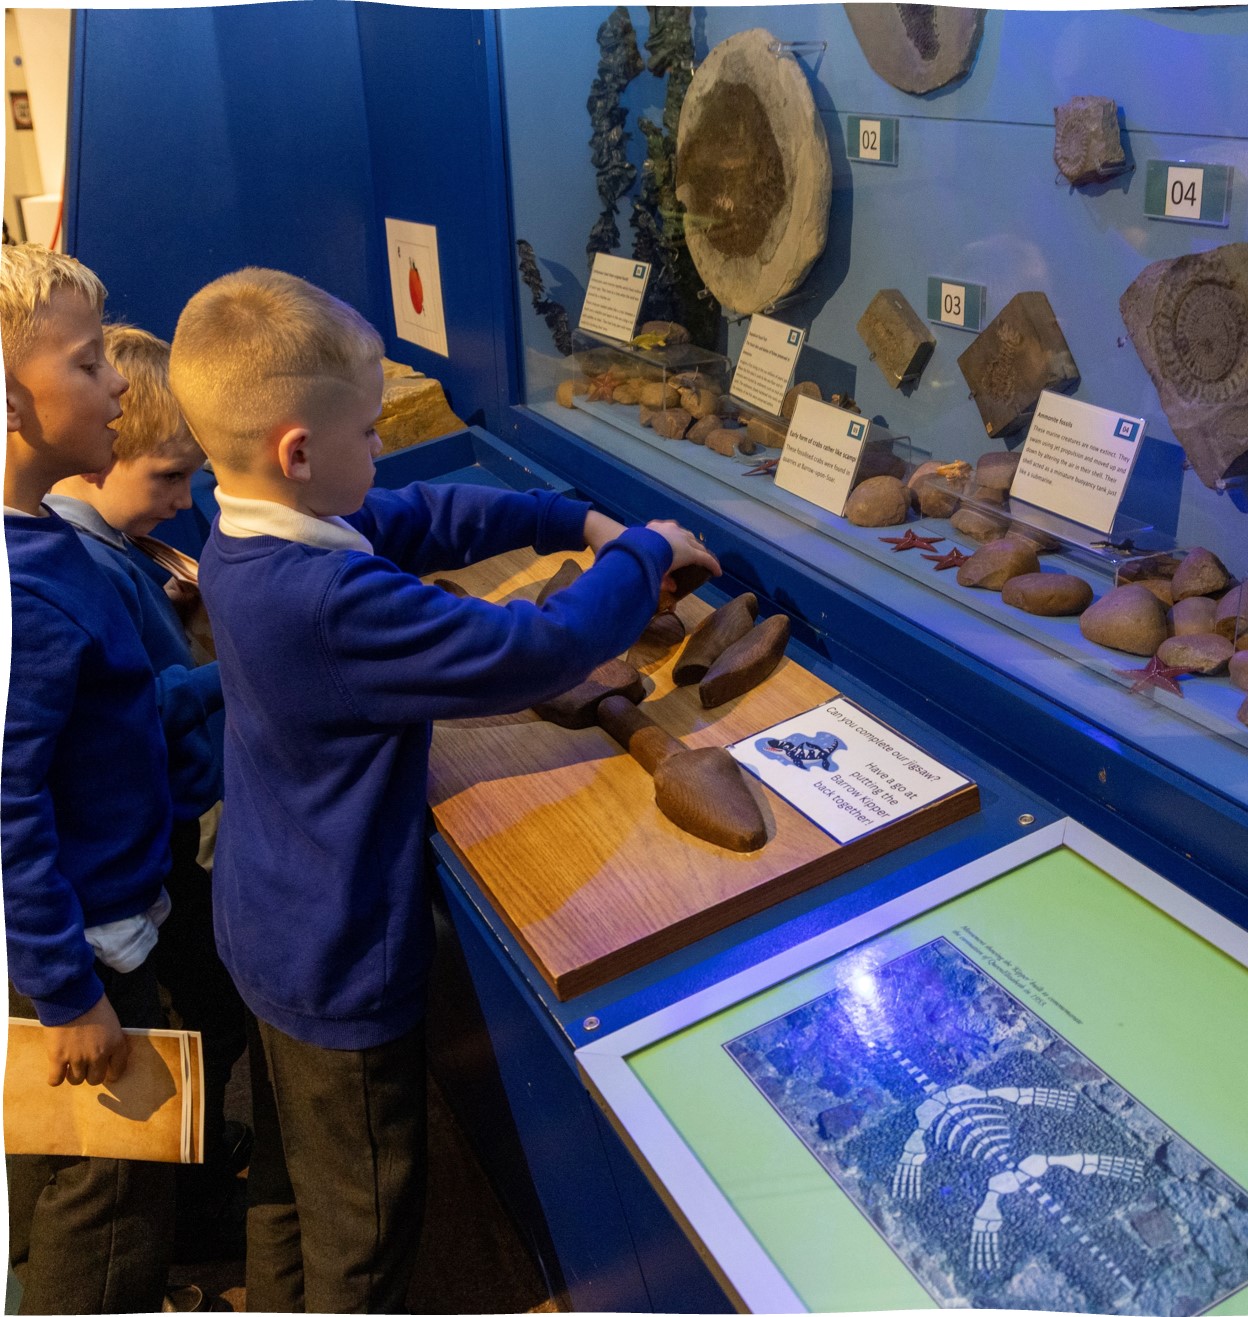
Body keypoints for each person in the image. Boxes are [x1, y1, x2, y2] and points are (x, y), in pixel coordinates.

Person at [167, 266, 720, 1312]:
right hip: (337, 964)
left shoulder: (242, 523)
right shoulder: (327, 603)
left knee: (289, 1194)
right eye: (369, 433)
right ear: (299, 450)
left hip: (266, 922)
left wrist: (569, 523)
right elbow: (537, 648)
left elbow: (413, 515)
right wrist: (643, 552)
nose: (381, 451)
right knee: (365, 1226)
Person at [44, 324, 251, 1261]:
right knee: (199, 1018)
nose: (185, 499)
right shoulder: (80, 568)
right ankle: (192, 1216)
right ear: (99, 458)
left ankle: (197, 1174)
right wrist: (240, 667)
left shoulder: (115, 551)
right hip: (150, 851)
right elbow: (142, 704)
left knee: (208, 1017)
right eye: (169, 478)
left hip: (162, 839)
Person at [1, 243, 178, 1312]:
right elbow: (5, 806)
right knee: (100, 1204)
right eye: (84, 365)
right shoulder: (25, 596)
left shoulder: (53, 546)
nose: (117, 381)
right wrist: (68, 993)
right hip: (82, 955)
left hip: (98, 931)